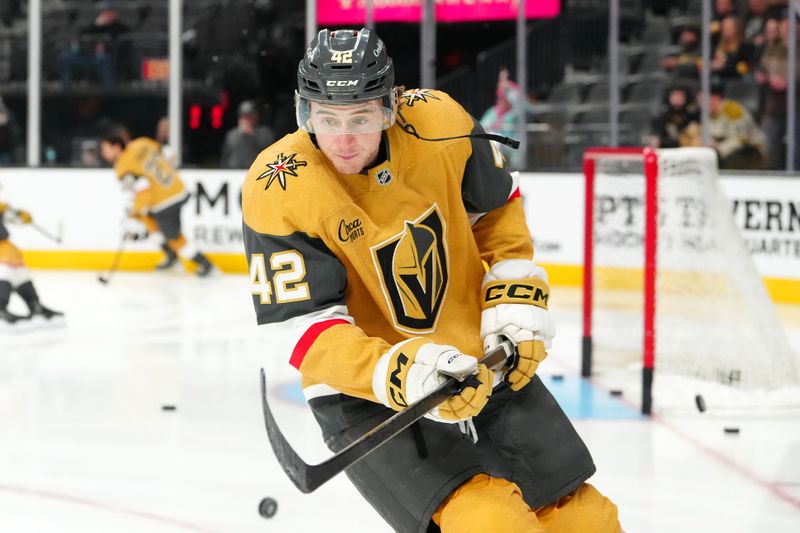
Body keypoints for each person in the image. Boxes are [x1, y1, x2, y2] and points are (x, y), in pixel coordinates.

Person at [242, 28, 620, 532]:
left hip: (476, 356)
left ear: (390, 106)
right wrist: (397, 372)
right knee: (488, 522)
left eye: (360, 117)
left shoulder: (439, 122)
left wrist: (513, 291)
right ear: (303, 110)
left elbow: (495, 206)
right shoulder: (279, 184)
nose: (344, 139)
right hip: (368, 392)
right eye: (326, 119)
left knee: (586, 520)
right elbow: (303, 328)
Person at [100, 131, 217, 277]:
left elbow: (142, 189)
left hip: (164, 201)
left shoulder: (122, 166)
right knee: (149, 223)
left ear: (116, 147)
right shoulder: (142, 142)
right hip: (177, 188)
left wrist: (134, 213)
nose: (103, 153)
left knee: (172, 236)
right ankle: (171, 256)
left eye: (105, 148)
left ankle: (205, 264)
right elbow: (167, 154)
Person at [0, 196, 64, 329]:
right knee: (4, 271)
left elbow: (17, 218)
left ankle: (35, 305)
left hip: (3, 245)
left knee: (20, 271)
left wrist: (19, 215)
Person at [683, 82, 766, 169]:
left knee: (735, 156)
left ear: (716, 98)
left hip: (750, 151)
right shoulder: (706, 114)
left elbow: (740, 139)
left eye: (703, 100)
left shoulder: (733, 110)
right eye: (699, 100)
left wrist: (718, 149)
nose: (701, 104)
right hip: (722, 150)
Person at [59, 1, 130, 88]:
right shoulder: (96, 24)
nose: (107, 14)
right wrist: (96, 24)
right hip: (88, 54)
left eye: (110, 12)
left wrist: (104, 45)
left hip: (107, 56)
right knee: (66, 57)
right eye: (105, 12)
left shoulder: (121, 27)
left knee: (103, 58)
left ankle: (107, 90)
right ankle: (67, 88)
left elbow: (117, 41)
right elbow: (83, 34)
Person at [479, 67, 533, 170]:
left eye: (504, 97)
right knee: (493, 138)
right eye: (500, 97)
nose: (501, 99)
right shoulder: (493, 111)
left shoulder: (515, 112)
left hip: (513, 144)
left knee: (497, 139)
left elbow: (527, 109)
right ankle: (489, 169)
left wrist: (510, 90)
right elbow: (482, 126)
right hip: (497, 146)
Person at [220, 100, 276, 168]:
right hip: (233, 173)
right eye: (243, 116)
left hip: (255, 172)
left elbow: (270, 155)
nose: (246, 119)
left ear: (256, 115)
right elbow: (225, 158)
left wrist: (251, 134)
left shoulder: (265, 133)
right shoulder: (232, 135)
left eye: (249, 116)